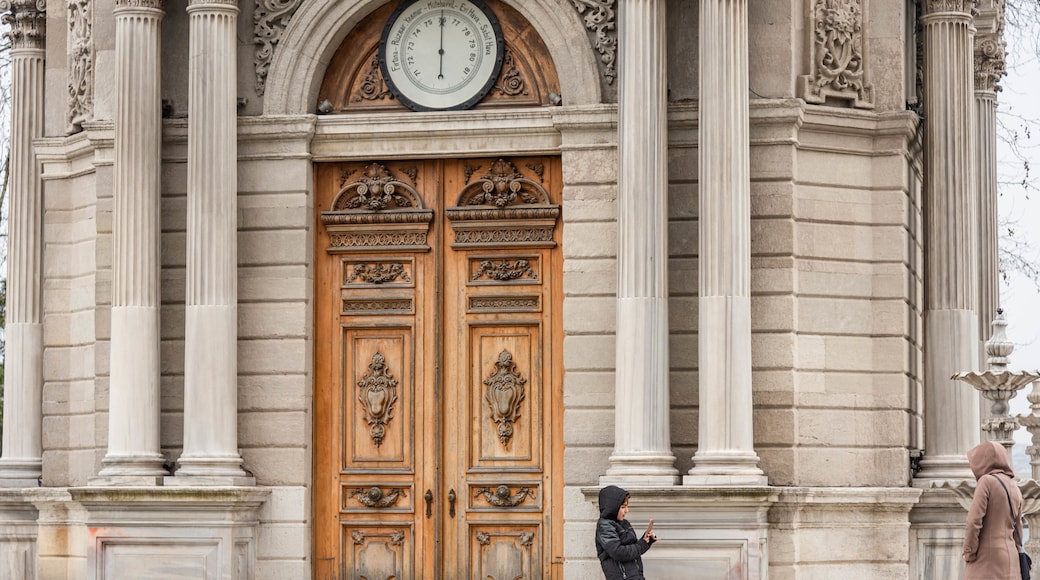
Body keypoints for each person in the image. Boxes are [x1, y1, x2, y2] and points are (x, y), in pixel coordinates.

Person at [963, 440, 1024, 580]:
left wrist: (969, 552)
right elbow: (1018, 527)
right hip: (1011, 560)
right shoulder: (1014, 486)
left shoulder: (986, 481)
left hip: (987, 560)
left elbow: (974, 521)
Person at [596, 485, 657, 579]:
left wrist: (647, 541)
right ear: (612, 507)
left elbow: (634, 549)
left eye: (627, 506)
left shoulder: (624, 523)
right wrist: (641, 545)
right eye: (623, 507)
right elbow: (618, 552)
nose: (627, 510)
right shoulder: (605, 526)